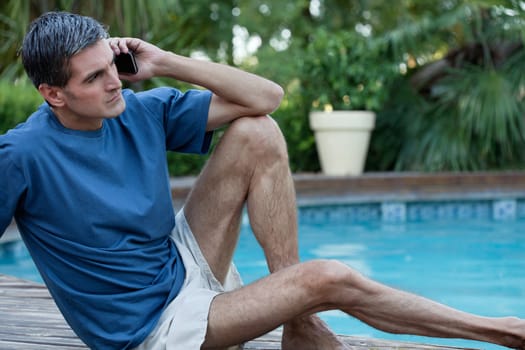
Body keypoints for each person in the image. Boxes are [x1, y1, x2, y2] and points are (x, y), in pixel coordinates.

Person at [0, 11, 523, 350]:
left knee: (258, 130)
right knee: (327, 279)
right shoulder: (21, 154)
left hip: (176, 263)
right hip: (151, 328)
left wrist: (166, 62)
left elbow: (266, 97)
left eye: (111, 66)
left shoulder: (136, 108)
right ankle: (507, 332)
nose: (114, 81)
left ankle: (299, 325)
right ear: (54, 94)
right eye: (94, 78)